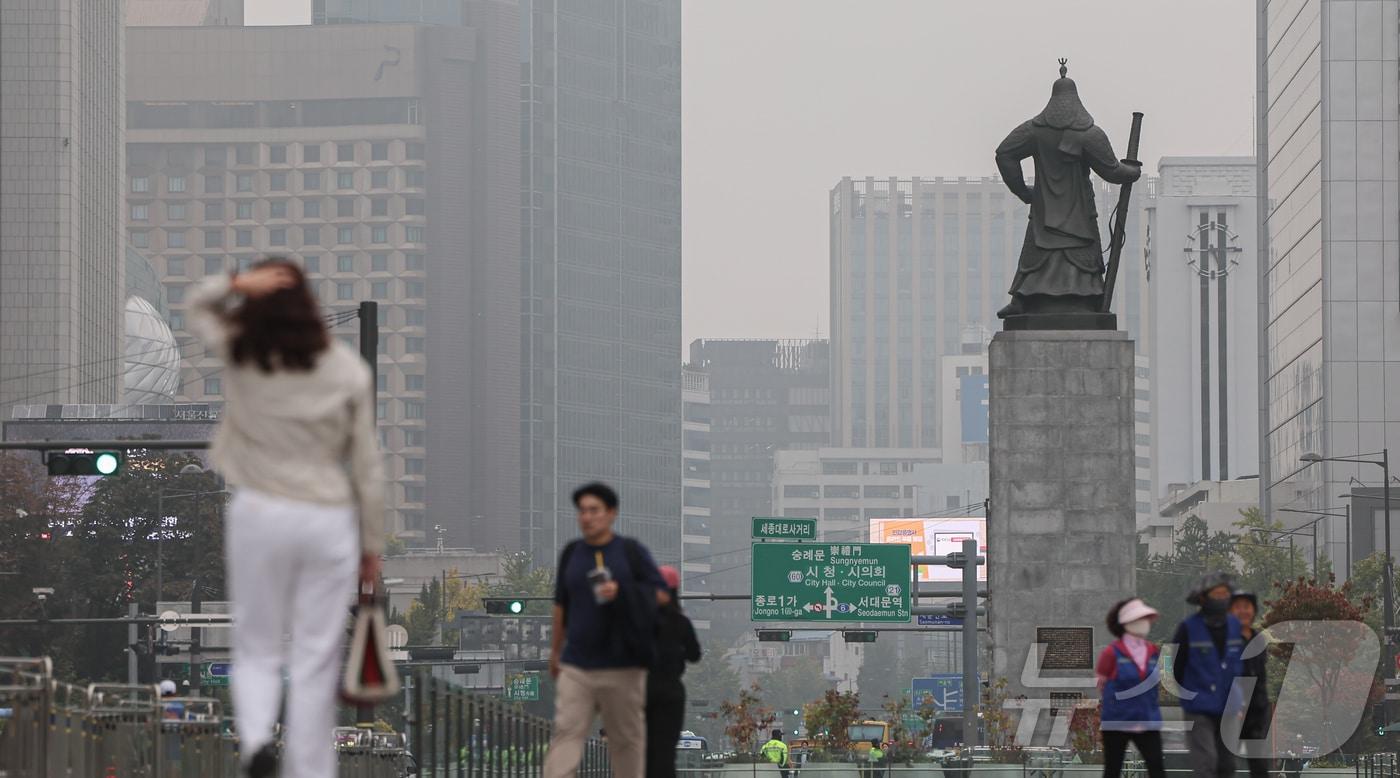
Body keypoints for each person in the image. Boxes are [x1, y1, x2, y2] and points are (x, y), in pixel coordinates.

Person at [189, 259, 384, 778]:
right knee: (315, 658)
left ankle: (255, 742)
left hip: (259, 510)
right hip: (327, 516)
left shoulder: (244, 354)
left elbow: (196, 306)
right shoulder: (347, 369)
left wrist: (232, 283)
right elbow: (367, 467)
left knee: (256, 644)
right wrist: (372, 546)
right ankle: (309, 769)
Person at [994, 60, 1143, 319]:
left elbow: (1004, 154)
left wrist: (1024, 192)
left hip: (1047, 211)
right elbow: (1112, 171)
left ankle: (1025, 299)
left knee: (1039, 250)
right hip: (1078, 214)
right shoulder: (1090, 133)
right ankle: (1073, 300)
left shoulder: (1035, 131)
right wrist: (1133, 171)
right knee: (1068, 252)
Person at [545, 483, 668, 778]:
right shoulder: (571, 554)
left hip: (623, 665)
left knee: (626, 742)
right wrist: (555, 651)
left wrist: (623, 590)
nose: (587, 517)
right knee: (566, 733)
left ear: (611, 513)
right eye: (582, 511)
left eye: (594, 510)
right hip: (577, 664)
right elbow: (561, 605)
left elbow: (662, 594)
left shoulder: (630, 552)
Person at [1171, 572, 1245, 778]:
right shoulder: (1187, 628)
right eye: (1216, 594)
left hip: (1229, 705)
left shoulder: (1235, 627)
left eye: (1225, 594)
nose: (1221, 598)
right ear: (1203, 597)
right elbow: (1178, 668)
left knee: (1228, 764)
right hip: (1199, 706)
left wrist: (1239, 702)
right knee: (1206, 762)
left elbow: (1238, 666)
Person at [1096, 598, 1166, 778]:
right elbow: (1101, 684)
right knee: (1112, 769)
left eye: (1146, 619)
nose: (1144, 624)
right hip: (1117, 720)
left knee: (1157, 767)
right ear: (1126, 624)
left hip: (1148, 718)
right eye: (1138, 620)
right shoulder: (1111, 653)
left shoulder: (1153, 651)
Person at [646, 565, 702, 778]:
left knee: (645, 746)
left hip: (644, 689)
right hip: (671, 691)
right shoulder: (681, 622)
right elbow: (694, 654)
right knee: (666, 748)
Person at [1231, 590, 1271, 778]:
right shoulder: (1225, 640)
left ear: (1253, 611)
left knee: (1260, 765)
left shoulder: (1259, 639)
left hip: (1256, 710)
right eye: (1237, 607)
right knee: (1225, 764)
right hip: (1230, 710)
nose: (1242, 611)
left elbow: (1261, 677)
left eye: (1246, 607)